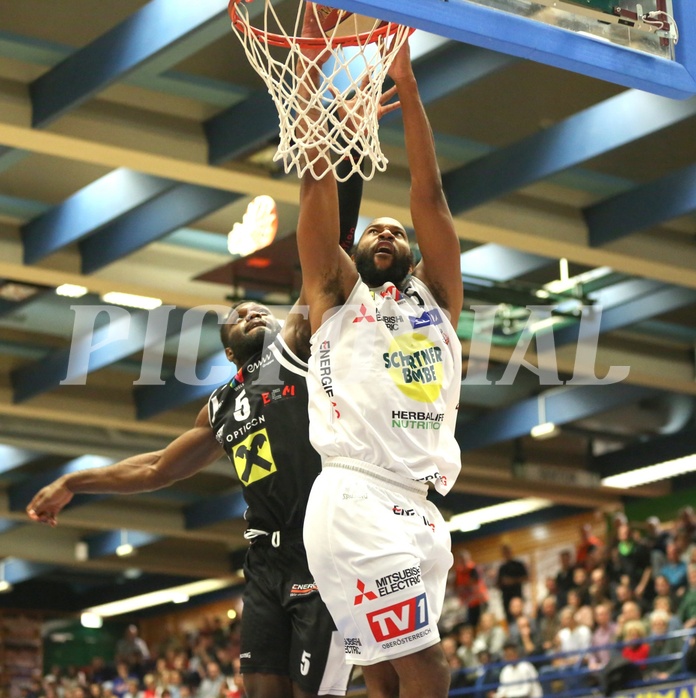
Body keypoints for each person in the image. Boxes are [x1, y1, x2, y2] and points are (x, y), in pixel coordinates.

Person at [25, 296, 358, 694]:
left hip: (319, 547)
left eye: (262, 311)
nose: (253, 313)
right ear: (229, 351)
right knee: (261, 689)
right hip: (265, 562)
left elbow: (319, 280)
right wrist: (73, 482)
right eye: (238, 315)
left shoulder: (298, 352)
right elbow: (156, 468)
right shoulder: (220, 406)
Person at [295, 9, 463, 698]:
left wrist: (408, 85)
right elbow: (315, 184)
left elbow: (431, 193)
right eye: (374, 230)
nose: (386, 230)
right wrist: (308, 73)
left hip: (422, 506)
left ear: (417, 255)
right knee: (425, 667)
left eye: (398, 231)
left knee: (388, 678)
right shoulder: (335, 294)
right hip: (356, 494)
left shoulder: (438, 303)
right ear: (354, 253)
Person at [497, 546, 530, 622]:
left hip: (517, 595)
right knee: (509, 620)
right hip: (506, 598)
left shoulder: (518, 565)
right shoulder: (502, 568)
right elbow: (498, 583)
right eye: (504, 553)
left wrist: (513, 581)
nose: (506, 554)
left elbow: (526, 578)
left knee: (520, 617)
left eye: (507, 552)